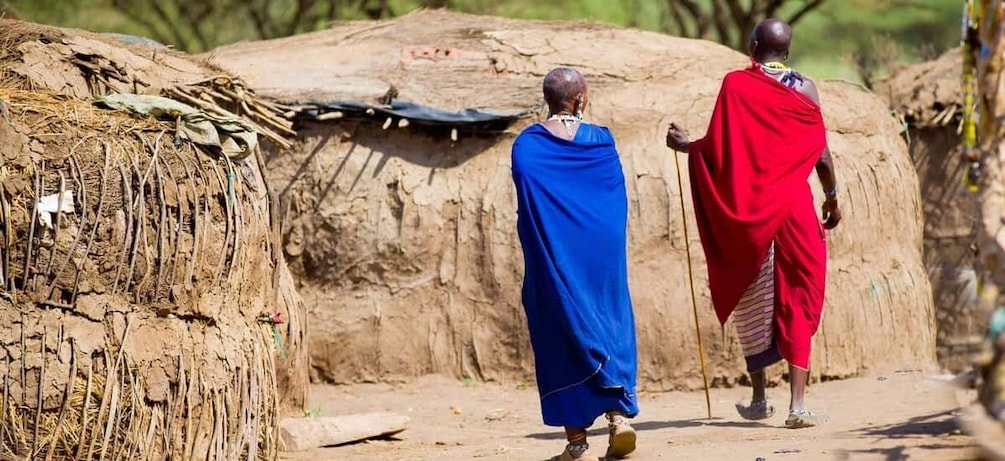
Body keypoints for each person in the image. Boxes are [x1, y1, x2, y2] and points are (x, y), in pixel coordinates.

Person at [665, 18, 841, 429]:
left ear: (753, 44)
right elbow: (822, 155)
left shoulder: (736, 84)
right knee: (797, 294)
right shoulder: (806, 88)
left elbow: (720, 150)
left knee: (751, 288)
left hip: (751, 207)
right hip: (796, 207)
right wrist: (831, 198)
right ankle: (797, 406)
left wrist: (687, 145)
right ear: (787, 50)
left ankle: (760, 396)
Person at [511, 67, 639, 460]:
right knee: (609, 321)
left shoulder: (527, 144)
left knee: (559, 329)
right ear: (580, 99)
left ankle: (576, 442)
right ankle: (618, 417)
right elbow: (614, 200)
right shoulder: (601, 140)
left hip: (553, 256)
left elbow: (530, 199)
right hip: (601, 256)